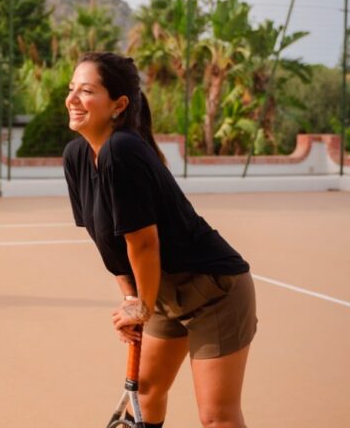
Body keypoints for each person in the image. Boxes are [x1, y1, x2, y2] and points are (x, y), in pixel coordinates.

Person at [62, 52, 257, 428]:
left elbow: (144, 244)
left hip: (215, 291)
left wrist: (142, 306)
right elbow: (108, 243)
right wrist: (131, 298)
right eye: (72, 89)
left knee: (217, 416)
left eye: (86, 91)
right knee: (147, 391)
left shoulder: (123, 150)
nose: (72, 99)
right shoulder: (76, 157)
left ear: (119, 105)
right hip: (161, 292)